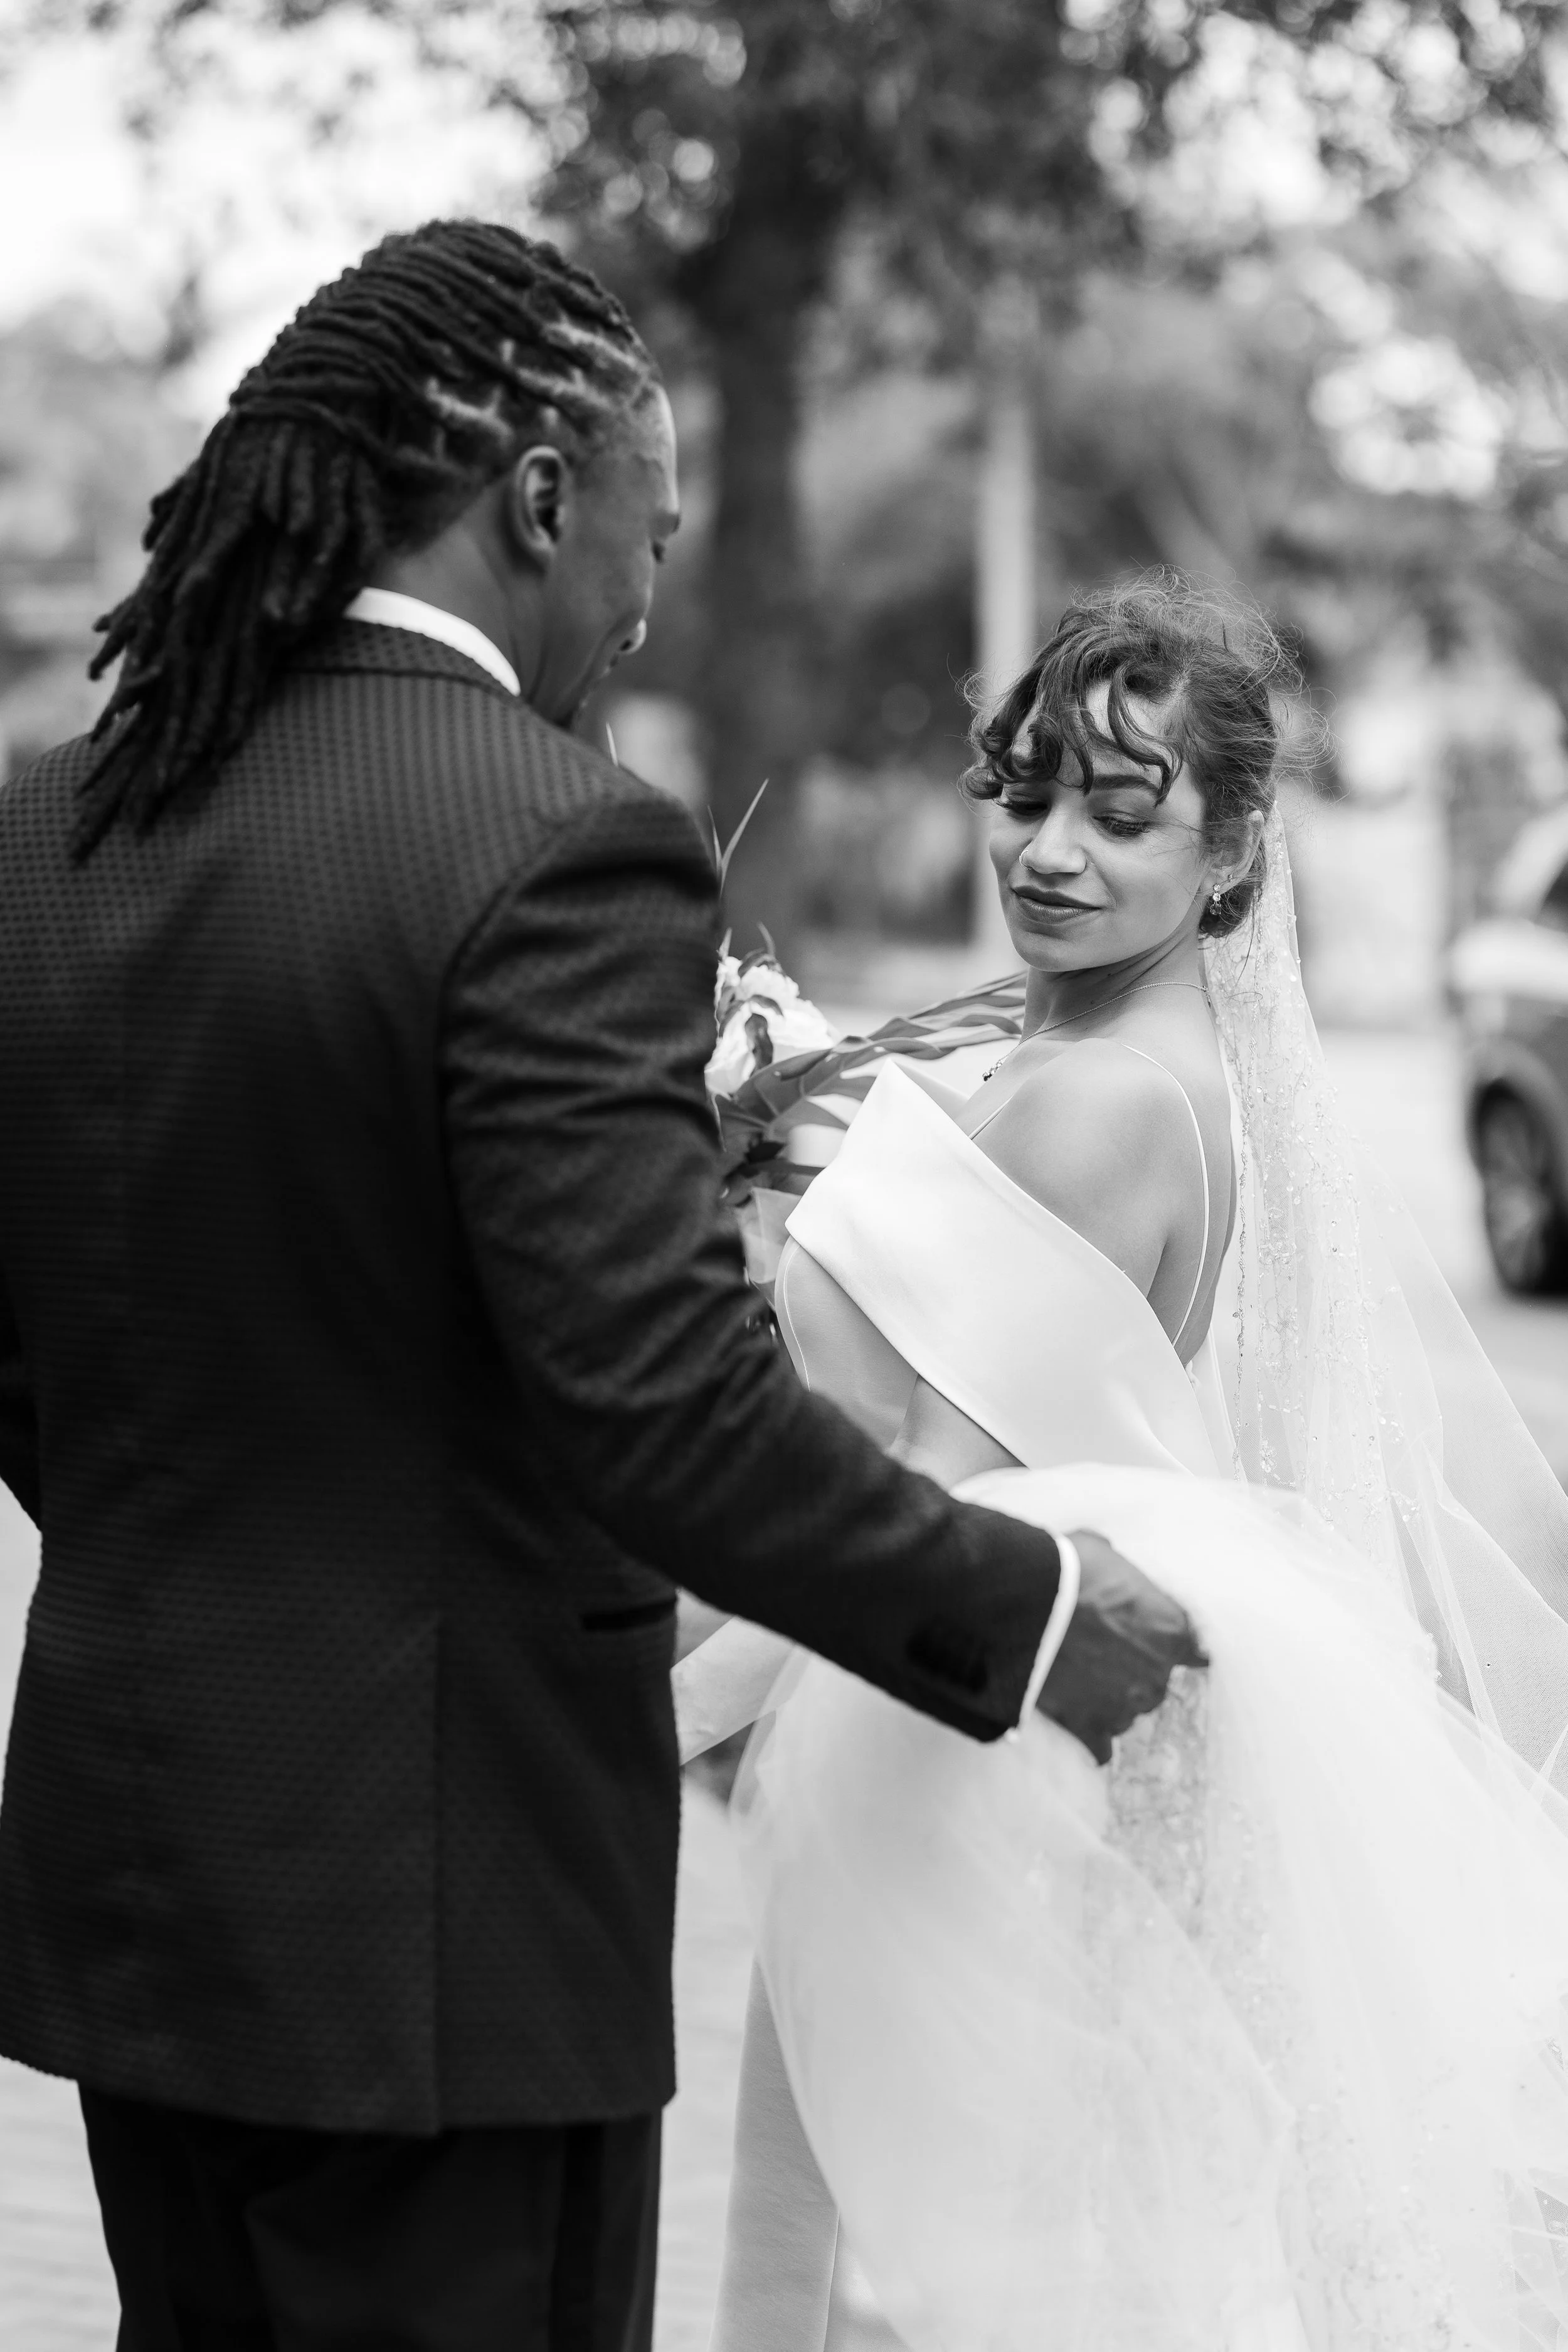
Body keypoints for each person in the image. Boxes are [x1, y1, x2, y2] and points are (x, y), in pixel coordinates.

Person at [0, 224, 1199, 2352]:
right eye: (645, 533)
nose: (645, 602)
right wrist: (1021, 1618)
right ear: (539, 501)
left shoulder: (41, 829)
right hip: (443, 1934)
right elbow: (659, 1407)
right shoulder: (550, 840)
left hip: (137, 1880)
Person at [675, 580, 1568, 2351]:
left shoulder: (1100, 1104)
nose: (1049, 847)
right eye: (1022, 792)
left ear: (1229, 854)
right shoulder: (1063, 1059)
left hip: (963, 1782)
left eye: (1119, 808)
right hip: (990, 1763)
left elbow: (925, 1511)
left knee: (916, 2265)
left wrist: (642, 1706)